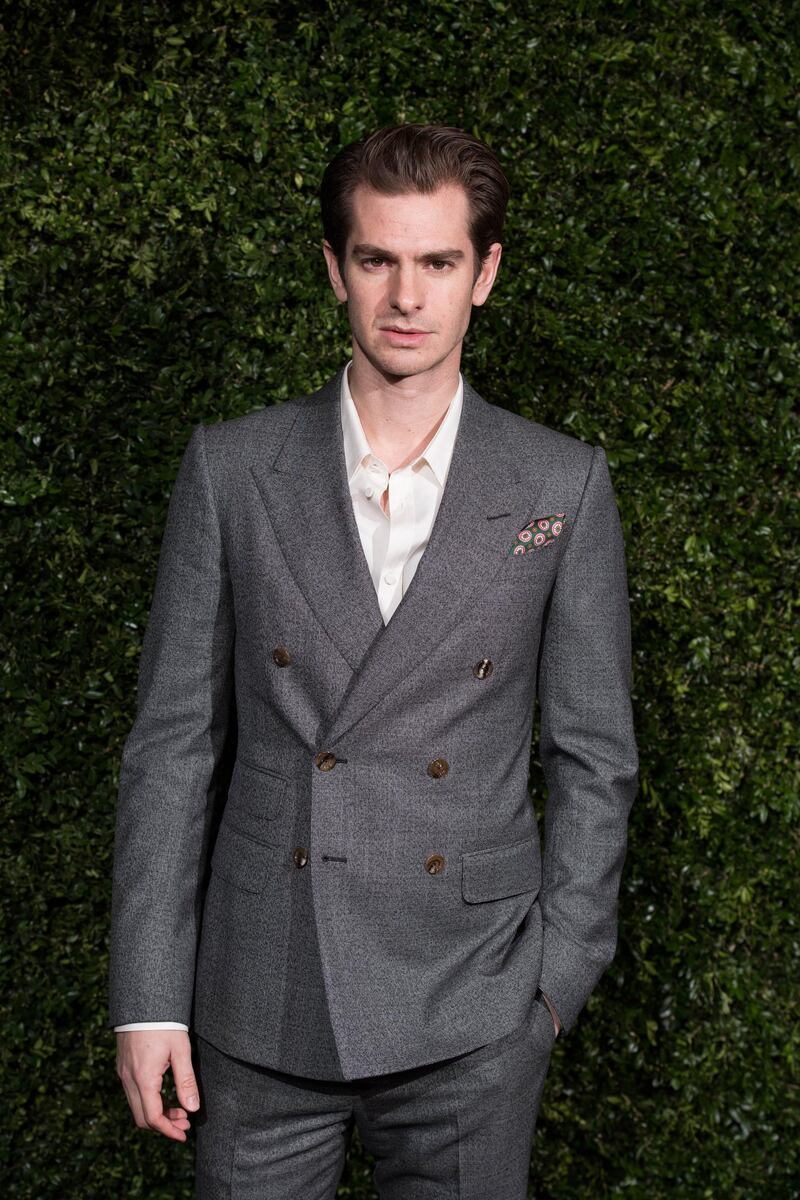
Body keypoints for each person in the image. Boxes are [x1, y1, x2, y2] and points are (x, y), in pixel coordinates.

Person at [110, 122, 639, 1198]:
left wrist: (553, 983)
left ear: (483, 274)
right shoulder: (232, 466)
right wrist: (149, 998)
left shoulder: (560, 484)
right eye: (376, 259)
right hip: (260, 996)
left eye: (437, 261)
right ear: (333, 270)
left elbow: (594, 756)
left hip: (474, 1002)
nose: (407, 295)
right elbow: (172, 746)